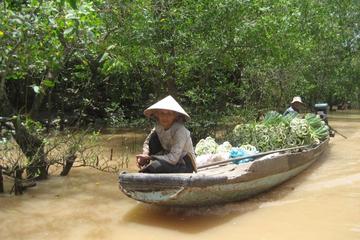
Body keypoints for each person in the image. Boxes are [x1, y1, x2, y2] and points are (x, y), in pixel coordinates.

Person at [136, 95, 197, 173]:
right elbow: (147, 142)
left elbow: (173, 159)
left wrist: (151, 157)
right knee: (153, 139)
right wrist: (144, 154)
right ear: (157, 115)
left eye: (169, 114)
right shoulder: (158, 127)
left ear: (175, 116)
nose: (165, 117)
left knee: (155, 167)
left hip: (185, 164)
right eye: (162, 113)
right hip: (168, 160)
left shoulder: (180, 130)